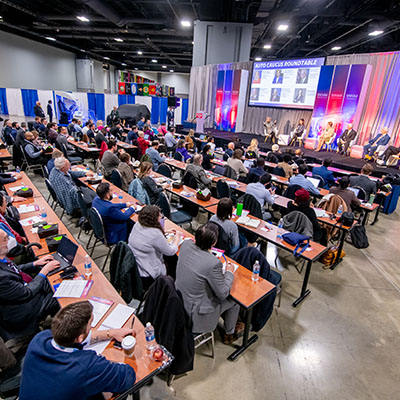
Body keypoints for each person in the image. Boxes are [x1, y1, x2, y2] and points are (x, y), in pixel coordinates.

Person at [19, 301, 136, 400]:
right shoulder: (86, 366)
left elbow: (79, 339)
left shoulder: (40, 339)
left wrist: (110, 333)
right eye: (90, 325)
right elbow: (127, 377)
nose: (91, 328)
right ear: (79, 338)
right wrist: (106, 365)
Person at [176, 223, 244, 345]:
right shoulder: (213, 264)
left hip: (180, 302)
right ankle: (229, 334)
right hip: (196, 315)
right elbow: (223, 293)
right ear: (214, 243)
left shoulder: (186, 245)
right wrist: (229, 273)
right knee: (235, 301)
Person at [0, 229, 60, 341]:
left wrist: (35, 263)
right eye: (5, 239)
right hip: (21, 310)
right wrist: (44, 272)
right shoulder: (1, 278)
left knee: (54, 280)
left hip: (22, 291)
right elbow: (27, 293)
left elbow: (16, 270)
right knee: (59, 294)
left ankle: (56, 319)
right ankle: (62, 330)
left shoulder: (2, 257)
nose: (9, 240)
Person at [128, 205, 180, 290]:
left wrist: (164, 231)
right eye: (160, 216)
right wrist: (177, 238)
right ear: (153, 219)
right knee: (173, 259)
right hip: (148, 273)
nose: (161, 218)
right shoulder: (155, 234)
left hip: (137, 266)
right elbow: (170, 251)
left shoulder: (138, 224)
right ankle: (170, 288)